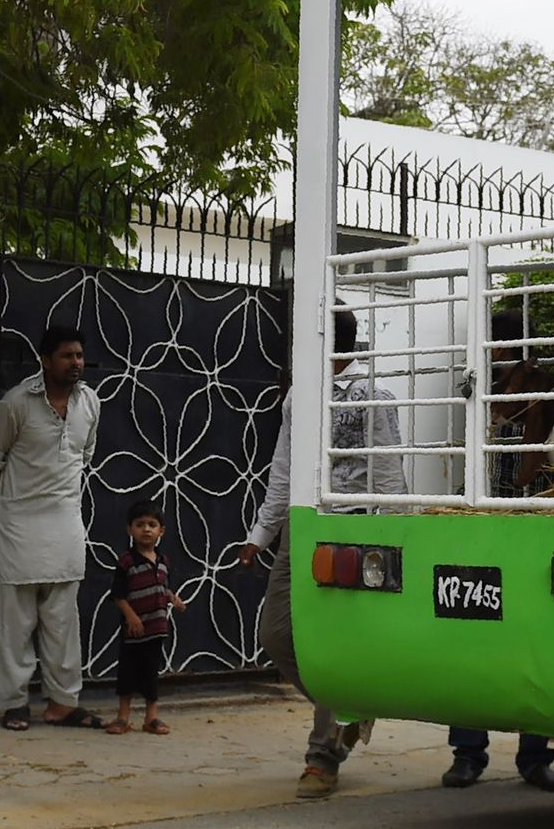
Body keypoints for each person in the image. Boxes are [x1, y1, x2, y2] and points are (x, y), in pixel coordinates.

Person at [239, 307, 407, 799]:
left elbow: (389, 472)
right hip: (301, 524)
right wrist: (261, 533)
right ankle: (354, 705)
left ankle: (323, 755)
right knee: (276, 634)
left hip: (353, 524)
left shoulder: (372, 395)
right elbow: (284, 466)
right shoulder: (300, 394)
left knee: (333, 642)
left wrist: (390, 541)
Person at [442, 309, 554, 793]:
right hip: (488, 525)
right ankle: (471, 754)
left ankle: (530, 756)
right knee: (474, 645)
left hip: (533, 523)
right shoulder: (478, 386)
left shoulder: (539, 383)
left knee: (531, 644)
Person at [0, 323, 105, 731]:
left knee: (63, 620)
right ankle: (13, 703)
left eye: (79, 355)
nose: (76, 363)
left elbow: (84, 456)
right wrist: (7, 511)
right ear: (45, 361)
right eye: (67, 356)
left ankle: (63, 703)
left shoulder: (91, 403)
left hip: (65, 523)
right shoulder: (15, 404)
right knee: (14, 620)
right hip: (18, 524)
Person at [104, 499, 185, 736]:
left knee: (151, 674)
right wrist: (132, 617)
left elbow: (163, 587)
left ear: (161, 531)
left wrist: (173, 599)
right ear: (130, 529)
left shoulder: (163, 562)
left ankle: (151, 718)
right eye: (140, 524)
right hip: (133, 632)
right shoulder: (126, 562)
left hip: (156, 629)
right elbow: (117, 595)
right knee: (127, 674)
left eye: (152, 524)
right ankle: (123, 717)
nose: (146, 529)